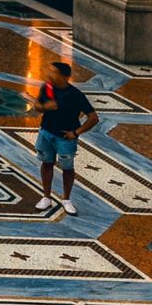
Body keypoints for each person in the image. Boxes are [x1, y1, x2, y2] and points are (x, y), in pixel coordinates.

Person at [34, 58, 94, 214]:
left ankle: (66, 199)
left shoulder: (75, 95)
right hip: (46, 132)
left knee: (67, 167)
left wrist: (76, 132)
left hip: (65, 138)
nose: (48, 74)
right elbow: (37, 105)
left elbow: (93, 117)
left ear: (64, 76)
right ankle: (46, 197)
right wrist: (45, 106)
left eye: (53, 72)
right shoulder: (47, 88)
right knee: (46, 163)